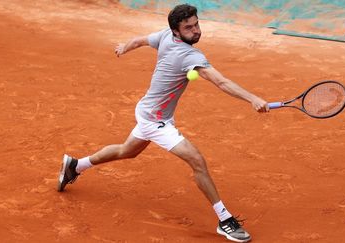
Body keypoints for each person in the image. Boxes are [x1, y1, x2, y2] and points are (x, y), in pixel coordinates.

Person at [57, 4, 268, 242]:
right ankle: (225, 219)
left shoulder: (165, 35)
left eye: (196, 24)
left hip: (149, 111)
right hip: (155, 120)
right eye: (188, 27)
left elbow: (141, 40)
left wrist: (124, 47)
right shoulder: (190, 56)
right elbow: (221, 82)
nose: (196, 31)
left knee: (127, 151)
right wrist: (252, 99)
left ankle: (76, 165)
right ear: (176, 31)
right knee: (197, 161)